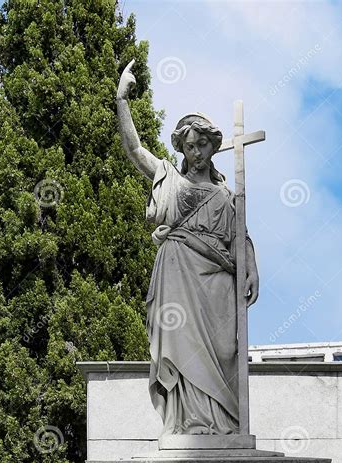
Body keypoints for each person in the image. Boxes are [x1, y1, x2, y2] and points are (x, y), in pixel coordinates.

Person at [117, 59, 259, 435]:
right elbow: (135, 151)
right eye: (188, 145)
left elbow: (241, 236)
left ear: (214, 147)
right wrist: (122, 100)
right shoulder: (172, 182)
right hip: (177, 273)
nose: (195, 151)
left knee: (221, 353)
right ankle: (185, 421)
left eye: (202, 145)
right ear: (181, 147)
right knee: (180, 347)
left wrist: (253, 267)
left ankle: (221, 423)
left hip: (216, 286)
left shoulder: (226, 197)